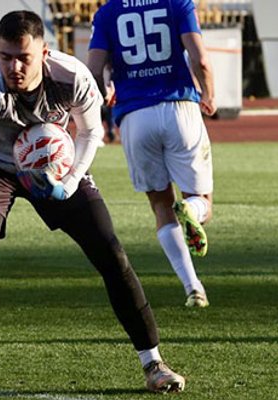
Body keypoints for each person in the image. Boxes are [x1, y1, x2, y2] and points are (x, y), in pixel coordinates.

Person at [0, 10, 185, 398]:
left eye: (23, 57)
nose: (14, 67)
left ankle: (153, 363)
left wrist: (70, 180)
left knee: (111, 252)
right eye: (5, 56)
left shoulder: (72, 77)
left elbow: (91, 133)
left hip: (54, 166)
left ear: (44, 52)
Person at [86, 0, 216, 308]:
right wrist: (209, 95)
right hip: (180, 108)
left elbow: (93, 70)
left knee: (160, 204)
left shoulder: (107, 12)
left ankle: (193, 286)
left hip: (134, 116)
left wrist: (105, 92)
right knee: (203, 201)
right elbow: (201, 59)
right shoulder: (178, 3)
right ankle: (193, 211)